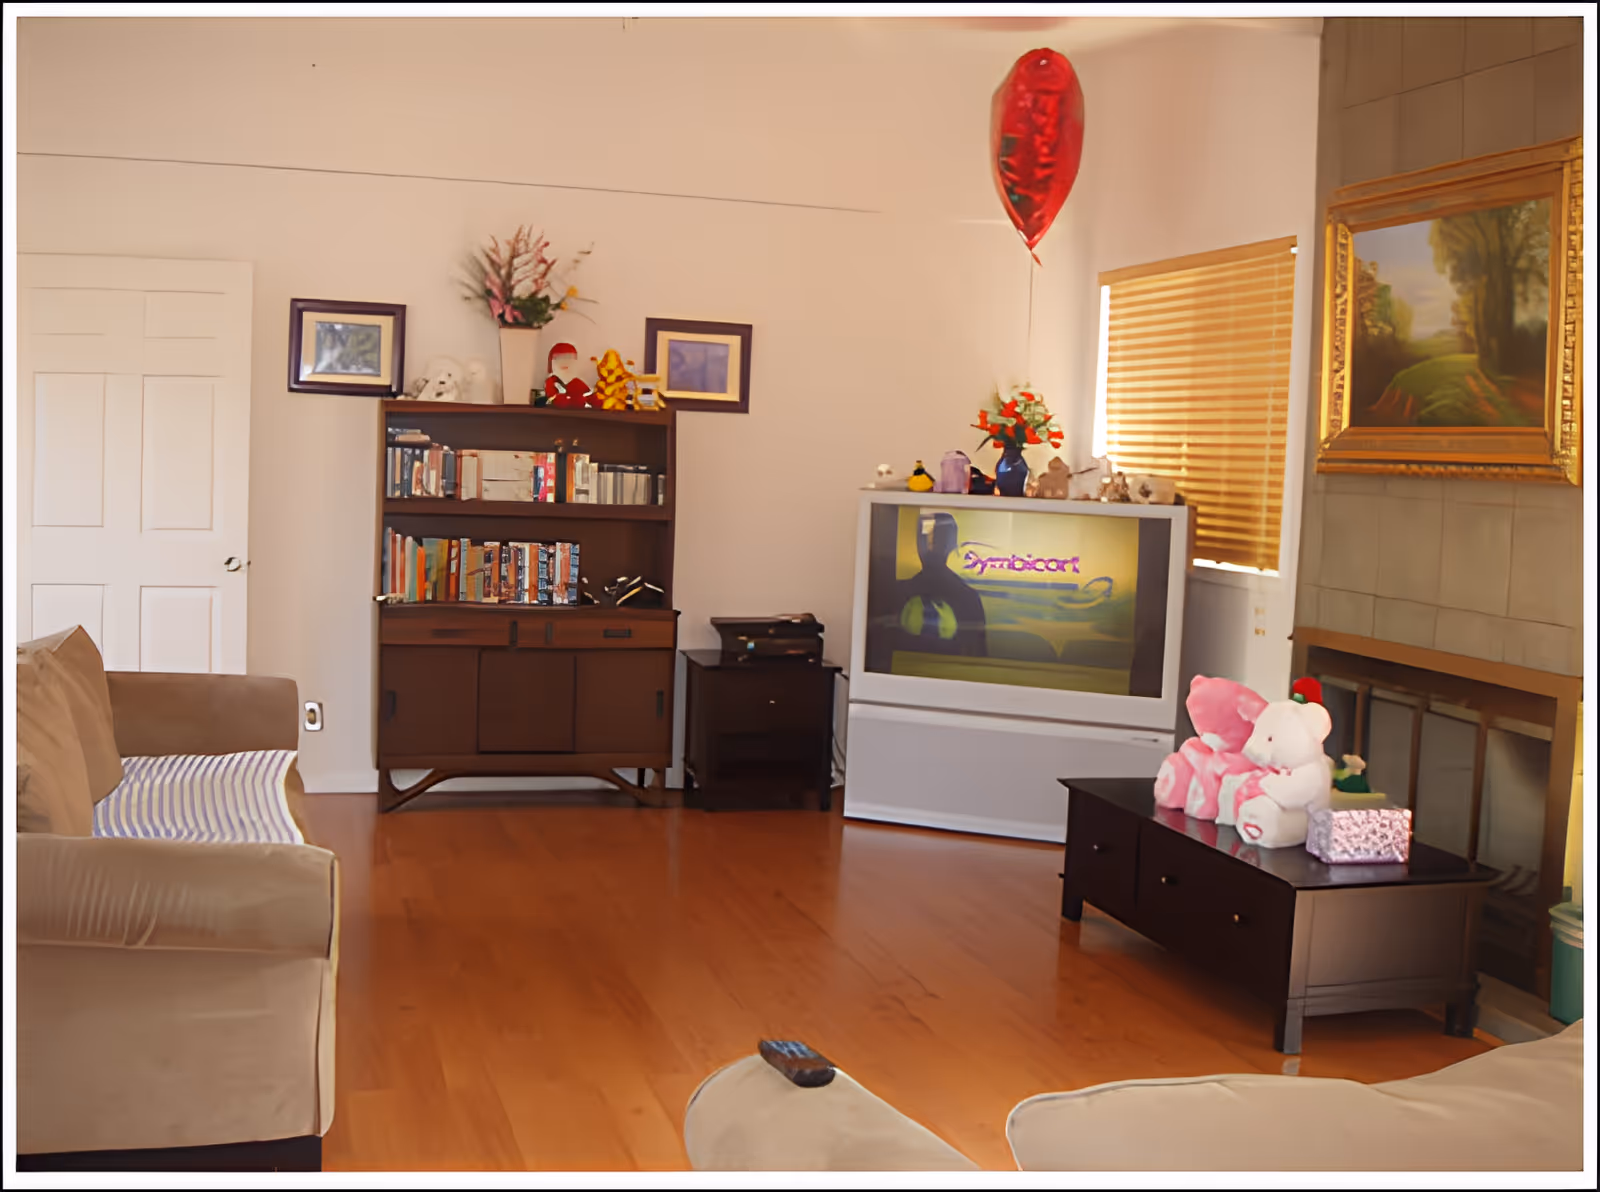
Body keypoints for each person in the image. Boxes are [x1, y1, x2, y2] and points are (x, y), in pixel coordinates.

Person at [891, 512, 987, 657]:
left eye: (937, 536)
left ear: (951, 544)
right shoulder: (895, 592)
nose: (930, 542)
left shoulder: (969, 598)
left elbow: (978, 658)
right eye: (924, 535)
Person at [544, 343, 596, 408]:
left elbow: (589, 397)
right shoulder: (551, 382)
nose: (564, 361)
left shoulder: (577, 382)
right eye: (559, 358)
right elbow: (555, 400)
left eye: (569, 358)